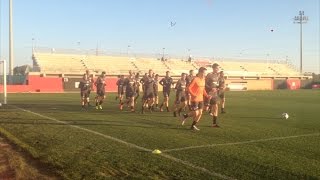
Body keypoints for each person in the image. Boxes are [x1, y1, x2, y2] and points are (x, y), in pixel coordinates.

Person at [204, 63, 220, 127]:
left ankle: (214, 123)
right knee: (205, 109)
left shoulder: (217, 75)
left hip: (215, 94)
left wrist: (218, 88)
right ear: (213, 68)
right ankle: (188, 115)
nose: (218, 69)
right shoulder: (209, 75)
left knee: (216, 107)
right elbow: (204, 84)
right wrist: (211, 88)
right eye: (217, 68)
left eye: (218, 68)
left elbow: (216, 84)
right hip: (209, 93)